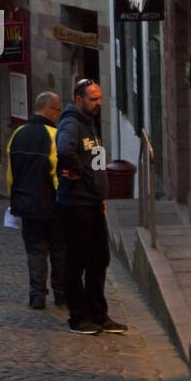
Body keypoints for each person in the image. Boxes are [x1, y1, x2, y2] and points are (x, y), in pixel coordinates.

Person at [56, 78, 127, 336]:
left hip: (93, 202)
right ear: (78, 100)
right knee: (78, 260)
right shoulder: (71, 123)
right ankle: (79, 316)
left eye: (99, 98)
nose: (98, 103)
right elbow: (65, 150)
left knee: (99, 259)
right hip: (76, 204)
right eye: (93, 99)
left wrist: (100, 192)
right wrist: (81, 174)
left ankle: (99, 313)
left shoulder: (90, 123)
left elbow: (94, 160)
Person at [6, 91, 66, 310]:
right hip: (51, 205)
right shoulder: (53, 135)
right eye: (58, 110)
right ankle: (61, 293)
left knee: (35, 250)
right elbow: (55, 173)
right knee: (59, 250)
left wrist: (13, 200)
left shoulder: (18, 134)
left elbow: (11, 173)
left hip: (26, 205)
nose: (59, 115)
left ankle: (37, 295)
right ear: (48, 109)